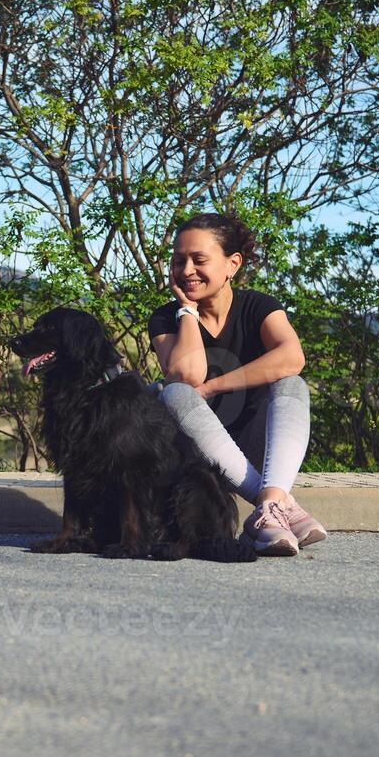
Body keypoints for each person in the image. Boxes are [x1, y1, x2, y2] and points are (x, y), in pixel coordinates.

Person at [148, 213, 326, 556]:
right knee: (175, 392)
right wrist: (187, 311)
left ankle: (269, 507)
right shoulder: (164, 317)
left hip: (257, 451)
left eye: (199, 260)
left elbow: (293, 357)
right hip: (195, 454)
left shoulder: (259, 306)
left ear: (232, 264)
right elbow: (187, 376)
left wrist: (215, 388)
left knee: (292, 384)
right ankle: (276, 506)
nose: (186, 270)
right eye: (178, 260)